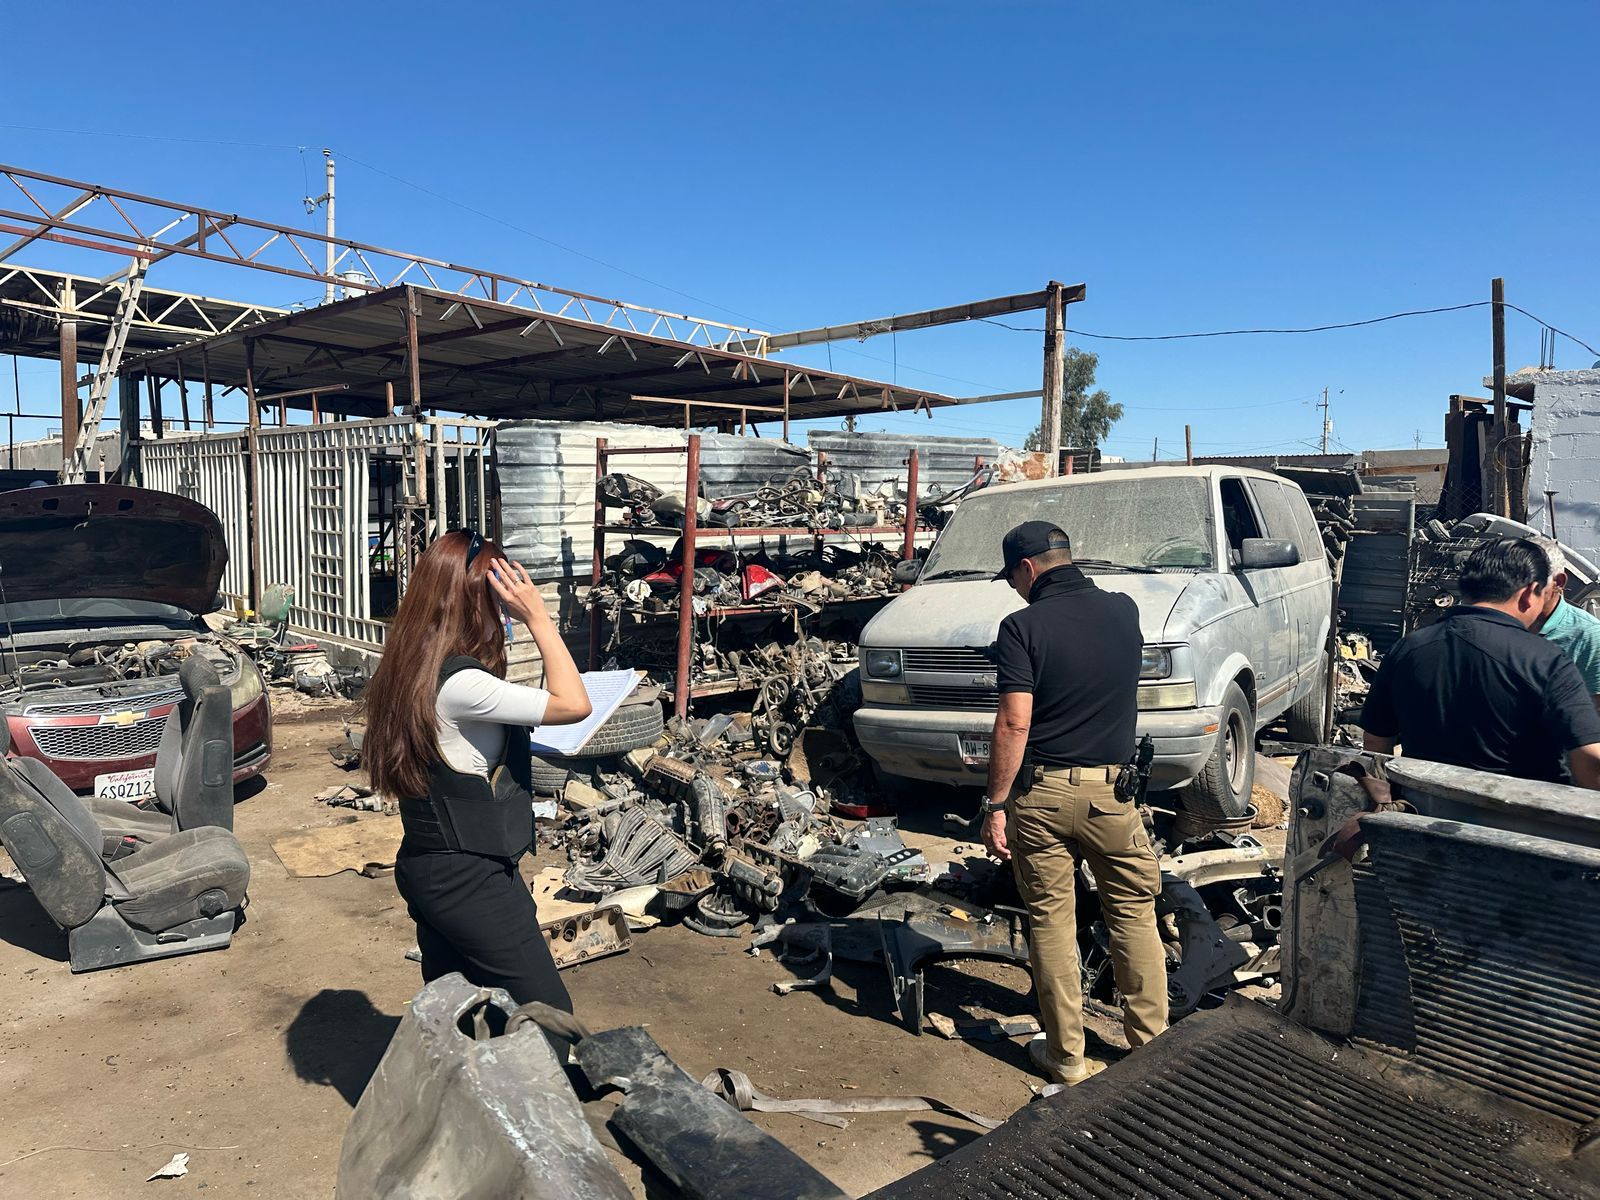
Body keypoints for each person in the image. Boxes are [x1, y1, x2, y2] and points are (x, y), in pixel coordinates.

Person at [365, 530, 593, 1008]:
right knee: (547, 1014)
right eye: (499, 598)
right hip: (468, 875)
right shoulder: (462, 685)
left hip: (429, 862)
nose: (505, 610)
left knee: (460, 1007)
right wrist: (538, 617)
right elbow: (575, 704)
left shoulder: (412, 666)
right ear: (475, 601)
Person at [980, 520, 1168, 1085]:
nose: (1013, 588)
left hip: (1043, 797)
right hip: (1114, 795)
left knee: (1052, 921)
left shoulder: (1021, 627)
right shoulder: (1124, 611)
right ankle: (1152, 1050)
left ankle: (1067, 1058)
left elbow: (1015, 722)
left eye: (1012, 578)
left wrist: (995, 805)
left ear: (1028, 568)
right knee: (1133, 913)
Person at [1361, 537, 1600, 788]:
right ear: (1530, 593)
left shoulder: (1408, 648)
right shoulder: (1546, 660)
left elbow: (1376, 741)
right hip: (1519, 808)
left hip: (1421, 801)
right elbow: (1591, 760)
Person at [1530, 536, 1600, 709]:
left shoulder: (1588, 635)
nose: (1517, 588)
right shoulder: (1499, 622)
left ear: (1558, 582)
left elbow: (1593, 711)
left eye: (1530, 580)